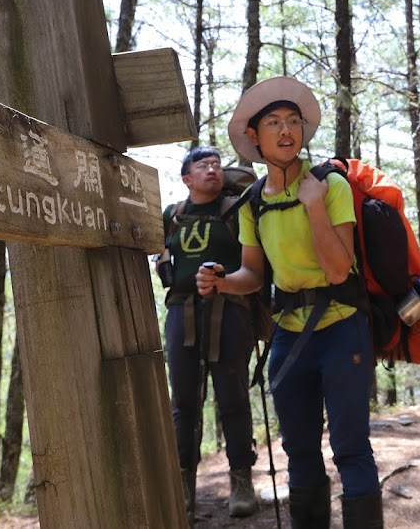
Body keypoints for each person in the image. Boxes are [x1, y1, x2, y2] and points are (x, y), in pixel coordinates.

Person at [196, 77, 384, 529]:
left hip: (342, 328)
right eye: (274, 123)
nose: (286, 131)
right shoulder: (251, 204)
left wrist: (314, 206)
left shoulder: (329, 185)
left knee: (350, 447)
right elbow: (253, 275)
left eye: (293, 122)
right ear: (255, 138)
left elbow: (340, 271)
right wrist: (221, 282)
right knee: (298, 449)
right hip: (290, 335)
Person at [161, 146, 258, 520]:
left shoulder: (236, 211)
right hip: (180, 312)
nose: (213, 170)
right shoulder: (172, 216)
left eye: (217, 164)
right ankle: (182, 484)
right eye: (203, 165)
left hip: (230, 311)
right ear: (186, 178)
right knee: (184, 401)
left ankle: (241, 480)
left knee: (232, 396)